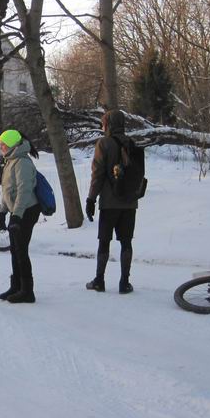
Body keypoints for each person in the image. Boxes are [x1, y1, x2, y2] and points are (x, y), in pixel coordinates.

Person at [85, 110, 136, 294]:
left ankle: (99, 280)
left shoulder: (103, 144)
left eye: (103, 123)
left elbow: (97, 174)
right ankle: (125, 282)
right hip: (130, 202)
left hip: (109, 202)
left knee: (104, 241)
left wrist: (91, 198)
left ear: (108, 124)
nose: (102, 126)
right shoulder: (131, 143)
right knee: (126, 242)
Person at [0, 129, 42, 303]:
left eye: (3, 144)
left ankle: (27, 291)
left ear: (13, 144)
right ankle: (16, 286)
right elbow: (7, 189)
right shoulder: (10, 160)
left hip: (27, 210)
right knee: (15, 250)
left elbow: (24, 191)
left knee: (21, 250)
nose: (1, 146)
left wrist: (17, 216)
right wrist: (2, 212)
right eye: (0, 143)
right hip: (17, 211)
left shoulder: (22, 162)